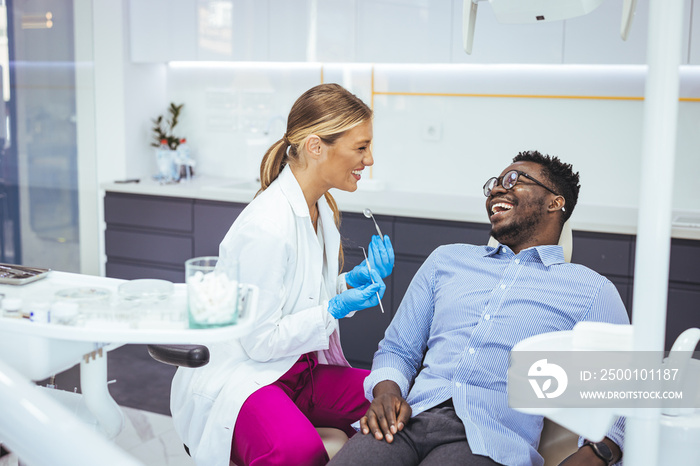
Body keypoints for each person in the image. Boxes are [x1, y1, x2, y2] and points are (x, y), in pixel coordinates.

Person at [328, 151, 630, 466]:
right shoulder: (446, 260)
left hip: (488, 442)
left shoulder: (591, 290)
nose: (498, 189)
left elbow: (628, 386)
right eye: (495, 184)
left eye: (514, 180)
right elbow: (398, 349)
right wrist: (386, 392)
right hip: (406, 422)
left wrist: (597, 453)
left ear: (555, 202)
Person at [170, 83, 395, 466]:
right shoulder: (268, 225)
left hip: (297, 367)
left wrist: (348, 283)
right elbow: (260, 341)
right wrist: (336, 308)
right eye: (361, 147)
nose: (369, 160)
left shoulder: (321, 208)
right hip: (246, 377)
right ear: (315, 146)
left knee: (393, 403)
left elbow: (299, 296)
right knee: (297, 452)